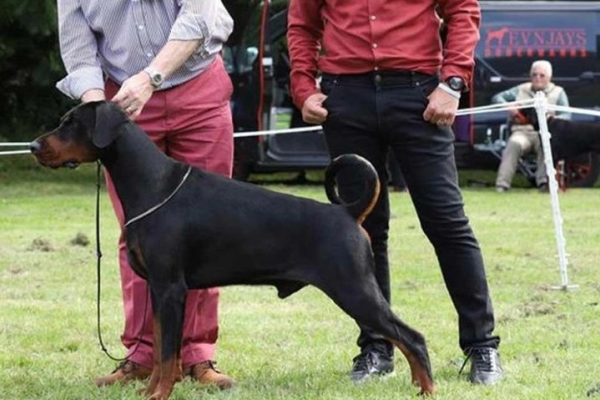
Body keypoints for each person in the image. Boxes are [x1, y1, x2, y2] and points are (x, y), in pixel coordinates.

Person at [288, 0, 503, 385]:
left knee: (447, 222)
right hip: (345, 96)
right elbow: (302, 25)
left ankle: (482, 346)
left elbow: (464, 10)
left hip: (419, 94)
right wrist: (302, 86)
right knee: (363, 231)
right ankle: (376, 346)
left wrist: (453, 81)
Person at [55, 0, 236, 389]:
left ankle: (197, 356)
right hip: (125, 105)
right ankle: (142, 354)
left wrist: (151, 76)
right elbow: (78, 46)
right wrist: (96, 112)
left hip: (197, 87)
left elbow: (197, 16)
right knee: (139, 234)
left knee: (206, 232)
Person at [492, 60, 571, 192]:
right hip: (522, 132)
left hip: (545, 133)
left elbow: (567, 115)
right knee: (513, 144)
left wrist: (553, 120)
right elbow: (497, 97)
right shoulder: (521, 89)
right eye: (534, 75)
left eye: (542, 75)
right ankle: (502, 185)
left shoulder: (558, 92)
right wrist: (509, 106)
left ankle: (543, 183)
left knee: (546, 145)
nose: (537, 78)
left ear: (549, 77)